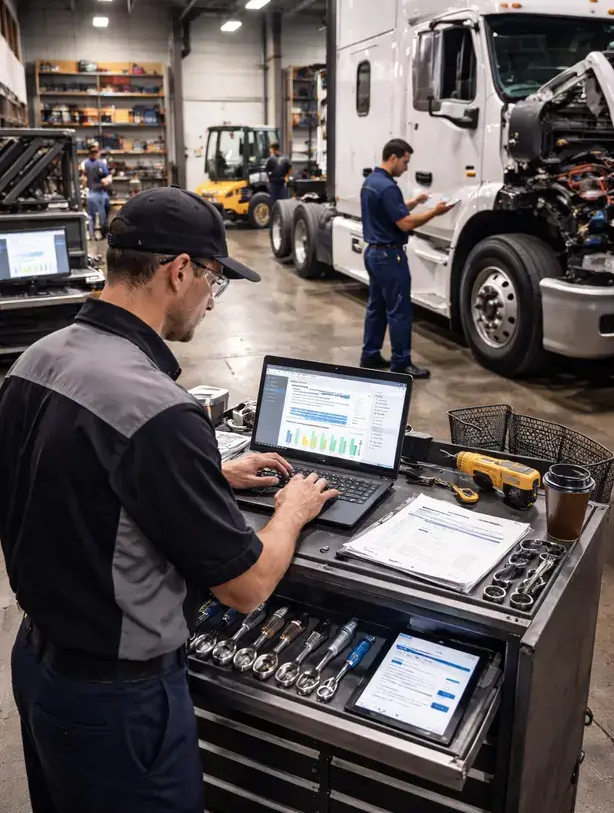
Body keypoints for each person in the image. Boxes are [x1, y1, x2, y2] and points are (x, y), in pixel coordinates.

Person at [0, 186, 339, 813]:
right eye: (214, 281)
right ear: (180, 271)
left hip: (40, 669)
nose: (212, 301)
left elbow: (68, 478)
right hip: (119, 707)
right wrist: (291, 510)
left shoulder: (35, 361)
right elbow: (248, 587)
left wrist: (209, 472)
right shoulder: (161, 414)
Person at [360, 138, 453, 379]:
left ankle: (370, 355)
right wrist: (434, 211)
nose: (406, 167)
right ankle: (401, 362)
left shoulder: (372, 181)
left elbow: (391, 211)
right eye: (405, 161)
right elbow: (404, 222)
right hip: (390, 256)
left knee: (376, 307)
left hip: (373, 253)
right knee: (399, 310)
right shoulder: (389, 187)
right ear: (393, 158)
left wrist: (416, 202)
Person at [81, 143, 112, 239]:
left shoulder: (85, 163)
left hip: (96, 192)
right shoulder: (98, 163)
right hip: (96, 192)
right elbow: (106, 177)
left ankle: (92, 234)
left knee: (93, 215)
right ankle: (102, 234)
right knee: (100, 216)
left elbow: (107, 176)